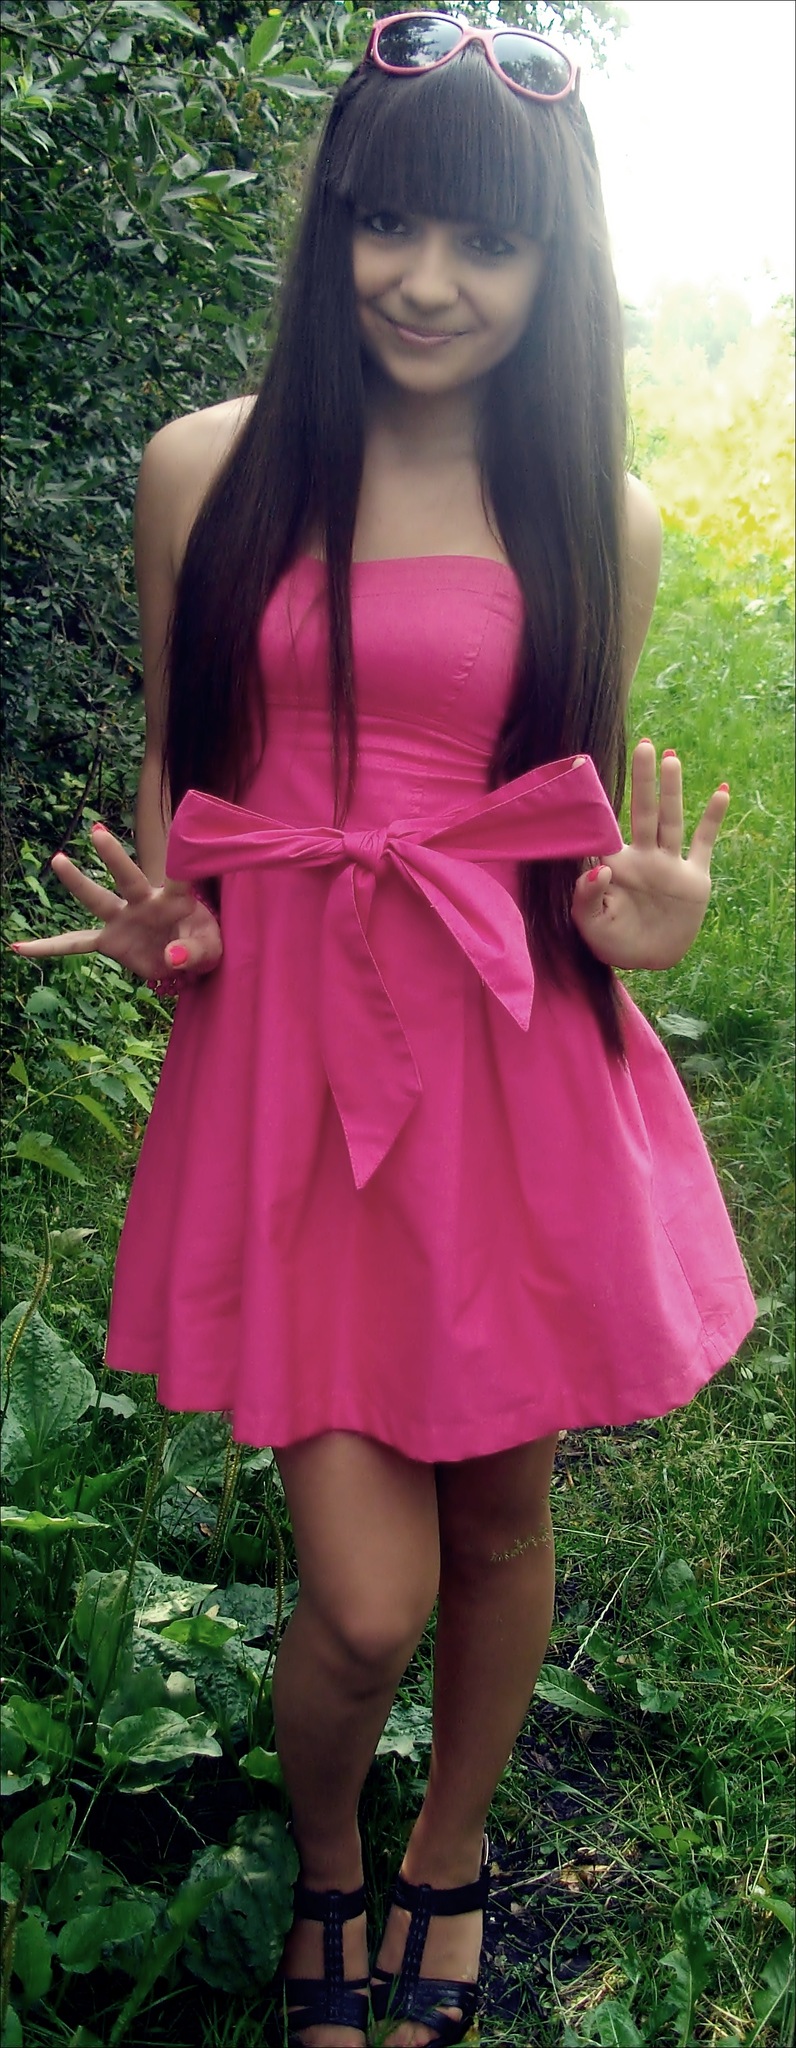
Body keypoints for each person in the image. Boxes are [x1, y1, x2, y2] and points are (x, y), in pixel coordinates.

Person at [13, 15, 757, 2045]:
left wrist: (648, 921)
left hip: (506, 1057)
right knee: (360, 1598)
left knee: (499, 1521)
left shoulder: (591, 509)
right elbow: (187, 783)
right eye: (388, 220)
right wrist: (172, 921)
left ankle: (447, 1855)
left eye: (487, 242)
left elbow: (572, 820)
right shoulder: (208, 467)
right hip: (293, 1065)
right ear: (332, 218)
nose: (427, 279)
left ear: (552, 266)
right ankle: (328, 1851)